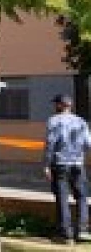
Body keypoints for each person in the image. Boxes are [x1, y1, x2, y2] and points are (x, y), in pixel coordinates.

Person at [44, 94, 91, 244]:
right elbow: (88, 144)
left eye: (56, 104)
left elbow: (50, 144)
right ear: (70, 105)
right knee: (82, 196)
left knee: (62, 198)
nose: (54, 107)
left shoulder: (54, 121)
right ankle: (82, 230)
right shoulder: (81, 121)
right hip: (78, 164)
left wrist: (46, 164)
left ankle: (66, 234)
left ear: (60, 105)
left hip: (60, 164)